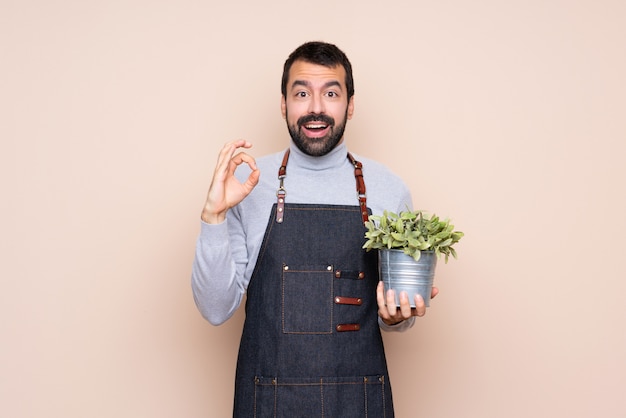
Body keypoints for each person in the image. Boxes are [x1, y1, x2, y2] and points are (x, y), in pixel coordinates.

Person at [192, 41, 438, 417]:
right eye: (302, 93)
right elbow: (214, 309)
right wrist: (213, 215)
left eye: (331, 93)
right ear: (283, 104)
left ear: (350, 105)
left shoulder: (388, 188)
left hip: (359, 403)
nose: (316, 107)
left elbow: (397, 312)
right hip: (269, 402)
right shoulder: (247, 184)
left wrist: (397, 317)